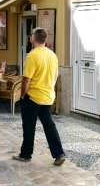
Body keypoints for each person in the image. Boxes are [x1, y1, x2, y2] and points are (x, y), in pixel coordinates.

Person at [13, 27, 65, 166]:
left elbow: (26, 79)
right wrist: (48, 88)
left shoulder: (32, 55)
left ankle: (26, 154)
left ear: (33, 39)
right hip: (48, 96)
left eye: (31, 36)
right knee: (49, 126)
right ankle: (59, 153)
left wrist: (23, 94)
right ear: (44, 39)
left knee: (29, 127)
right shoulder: (52, 55)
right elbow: (55, 76)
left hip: (33, 96)